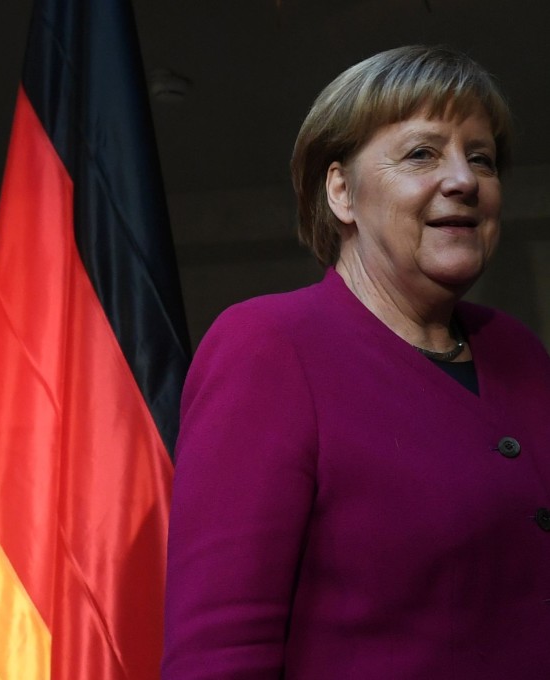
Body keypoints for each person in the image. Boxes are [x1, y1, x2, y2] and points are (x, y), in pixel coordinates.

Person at [162, 45, 550, 679]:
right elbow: (218, 654)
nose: (464, 179)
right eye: (423, 153)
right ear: (341, 190)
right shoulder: (269, 346)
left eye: (481, 158)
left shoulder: (519, 351)